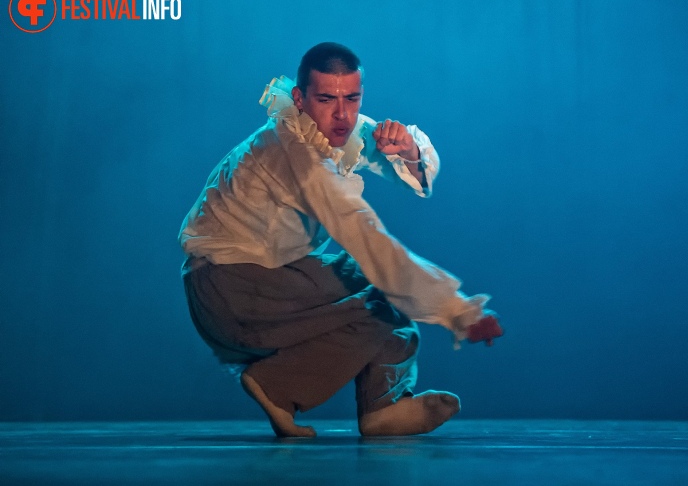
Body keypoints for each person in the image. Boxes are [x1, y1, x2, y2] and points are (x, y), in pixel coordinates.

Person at [179, 42, 502, 438]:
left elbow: (402, 159)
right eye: (327, 99)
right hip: (231, 288)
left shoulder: (331, 129)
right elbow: (367, 239)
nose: (343, 115)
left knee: (382, 297)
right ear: (299, 99)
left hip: (273, 275)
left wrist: (410, 151)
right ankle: (278, 385)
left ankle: (383, 408)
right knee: (380, 294)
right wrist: (458, 310)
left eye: (352, 98)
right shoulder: (297, 153)